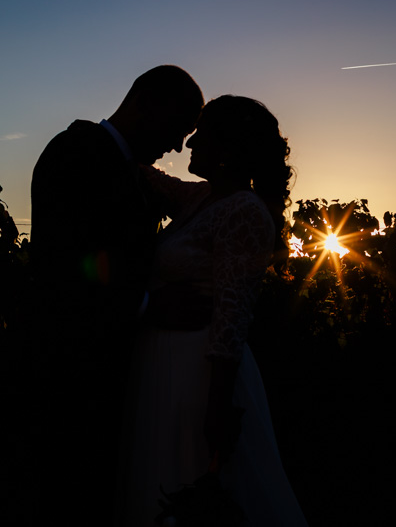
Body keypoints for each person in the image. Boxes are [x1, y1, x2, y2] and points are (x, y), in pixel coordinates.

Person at [119, 95, 309, 526]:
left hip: (202, 376)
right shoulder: (200, 198)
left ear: (226, 149)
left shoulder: (245, 212)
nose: (188, 145)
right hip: (164, 363)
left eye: (200, 135)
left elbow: (231, 320)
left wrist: (217, 405)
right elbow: (144, 175)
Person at [27, 65, 203, 522]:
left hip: (120, 373)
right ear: (146, 104)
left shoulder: (130, 170)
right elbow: (63, 267)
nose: (178, 147)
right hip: (76, 374)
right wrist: (148, 305)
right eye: (177, 129)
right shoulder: (76, 153)